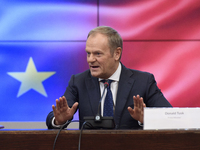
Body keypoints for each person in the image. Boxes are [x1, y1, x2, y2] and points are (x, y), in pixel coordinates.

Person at [46, 26, 172, 129]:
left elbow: (169, 117)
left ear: (117, 53)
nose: (90, 59)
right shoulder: (78, 82)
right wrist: (59, 120)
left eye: (98, 54)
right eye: (88, 53)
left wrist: (146, 120)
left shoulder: (143, 81)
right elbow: (55, 116)